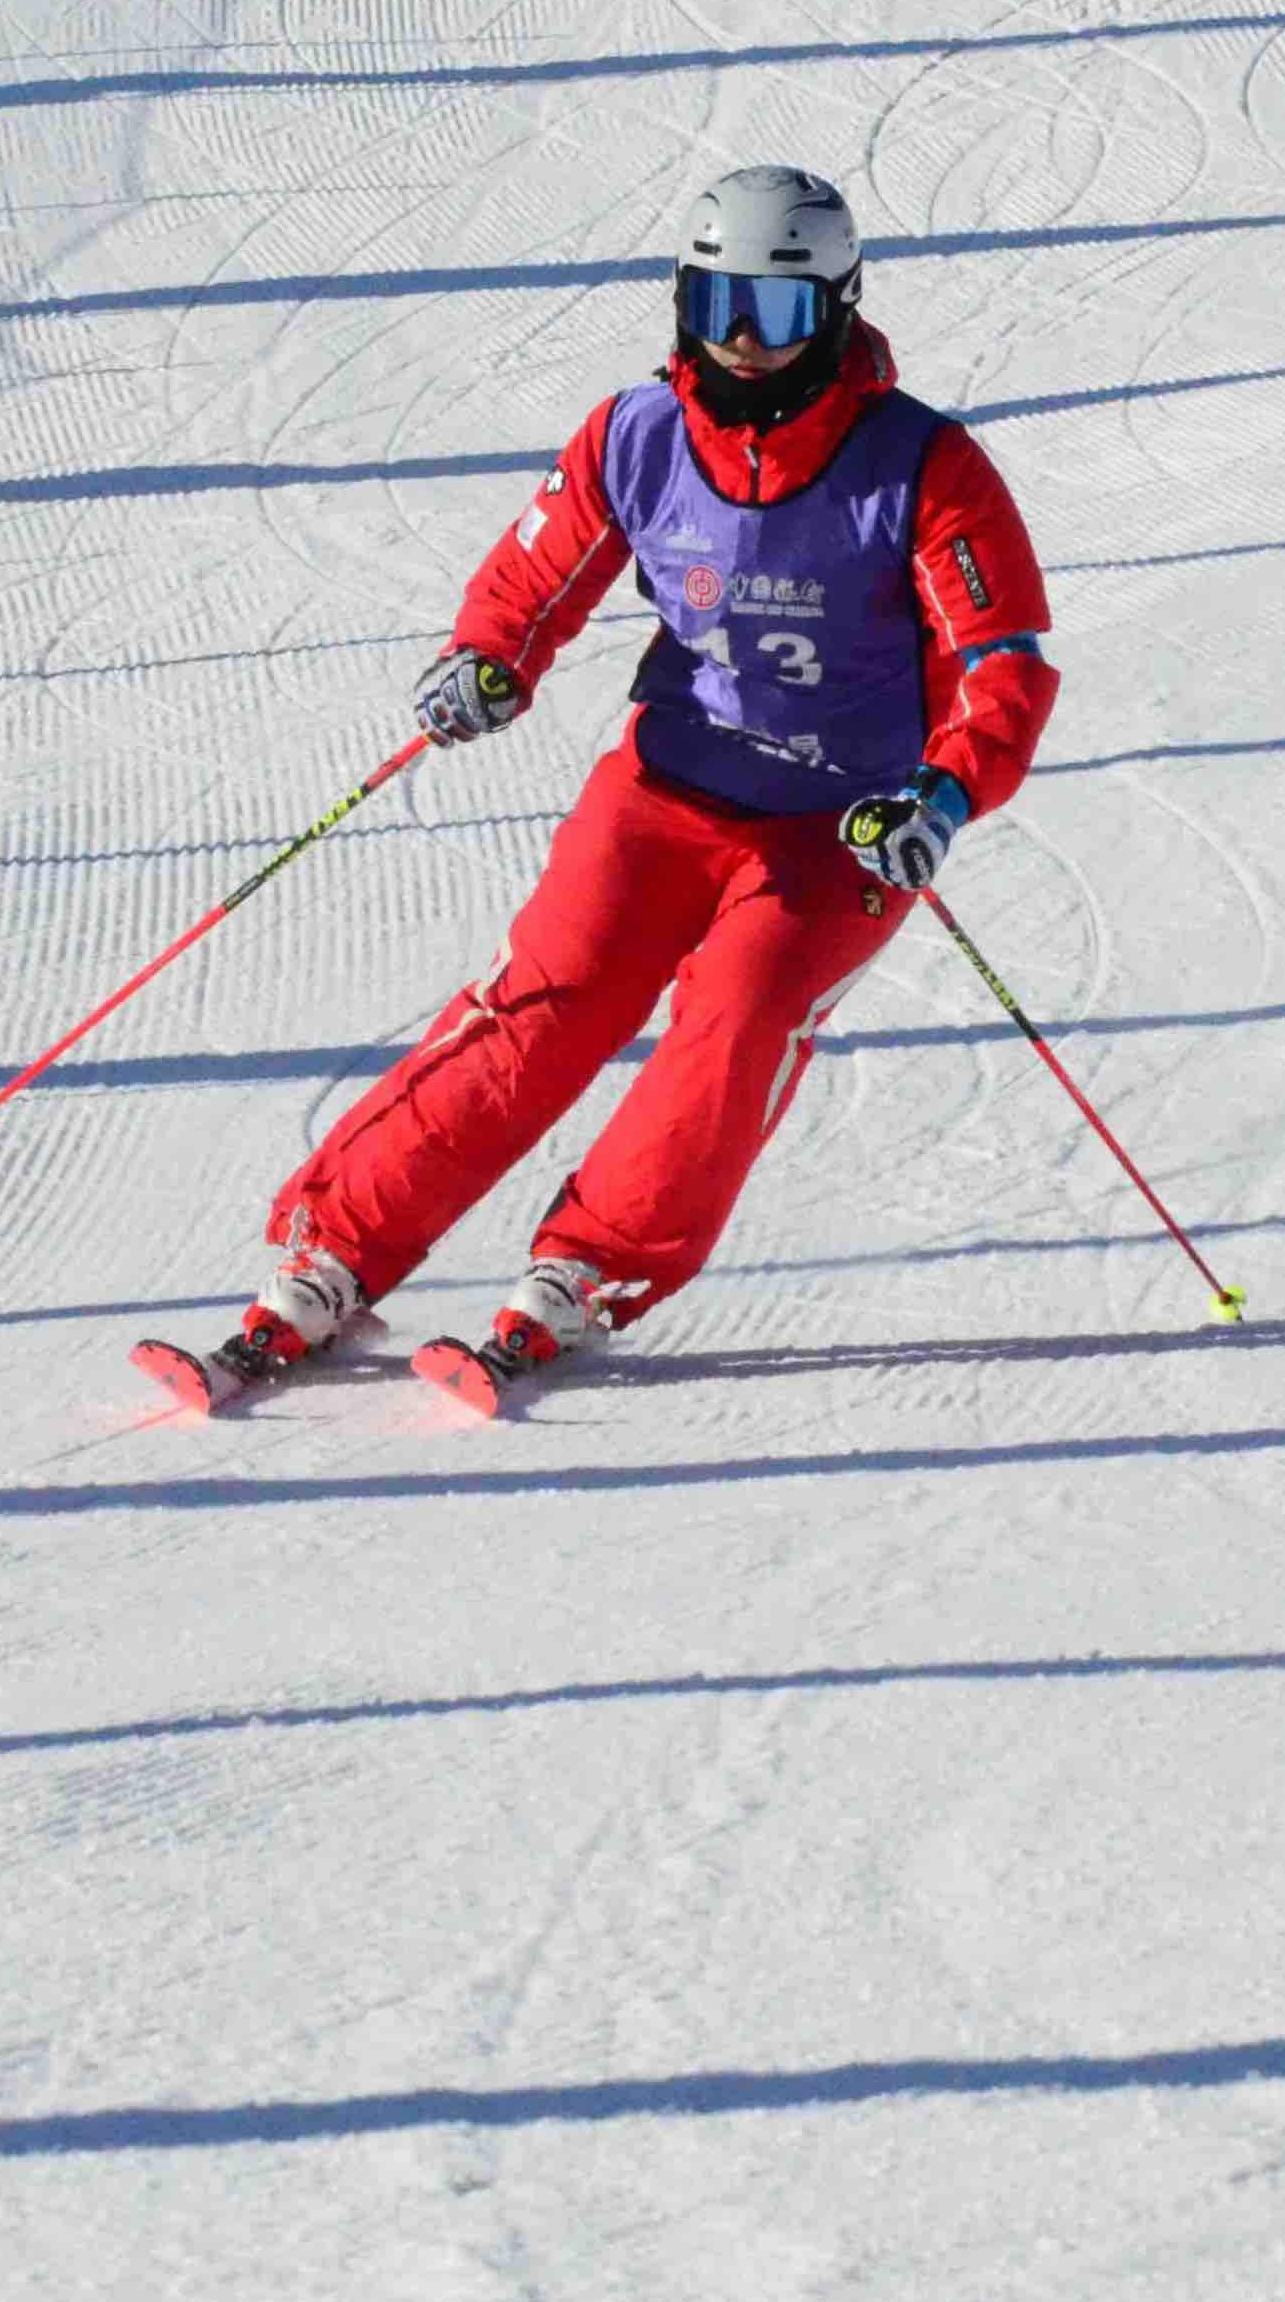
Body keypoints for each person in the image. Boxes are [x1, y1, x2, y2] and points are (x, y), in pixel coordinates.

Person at [137, 166, 1061, 1415]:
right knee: (547, 998)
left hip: (842, 822)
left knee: (738, 1016)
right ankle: (336, 1252)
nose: (744, 340)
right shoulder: (637, 433)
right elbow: (536, 573)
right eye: (720, 304)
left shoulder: (924, 465)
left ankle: (586, 1270)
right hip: (668, 787)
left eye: (779, 312)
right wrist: (489, 659)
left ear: (838, 311)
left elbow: (1005, 662)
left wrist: (943, 794)